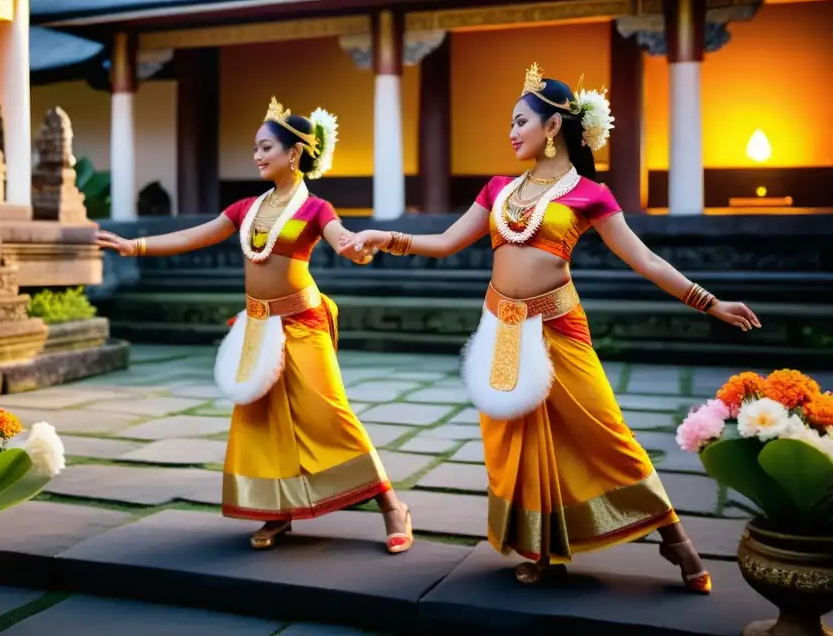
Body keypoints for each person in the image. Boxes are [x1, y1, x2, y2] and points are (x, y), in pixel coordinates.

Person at [339, 63, 760, 591]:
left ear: (553, 126)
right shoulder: (497, 189)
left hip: (559, 326)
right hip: (502, 328)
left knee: (604, 432)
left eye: (520, 121)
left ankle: (675, 538)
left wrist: (710, 302)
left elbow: (647, 261)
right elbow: (447, 242)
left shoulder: (590, 194)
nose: (512, 132)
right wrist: (384, 236)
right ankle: (540, 548)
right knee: (516, 442)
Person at [96, 96, 413, 554]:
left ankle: (392, 508)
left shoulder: (316, 208)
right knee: (263, 421)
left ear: (294, 154)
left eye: (266, 147)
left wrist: (354, 246)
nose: (258, 155)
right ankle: (276, 513)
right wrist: (135, 246)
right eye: (256, 148)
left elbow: (340, 236)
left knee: (331, 413)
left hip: (302, 322)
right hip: (259, 327)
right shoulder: (246, 207)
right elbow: (195, 235)